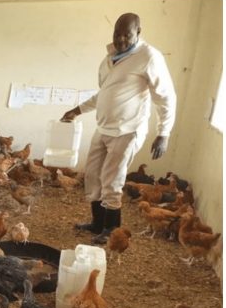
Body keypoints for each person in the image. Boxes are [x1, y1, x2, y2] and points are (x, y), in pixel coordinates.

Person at [61, 12, 176, 243]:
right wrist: (77, 110)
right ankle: (97, 224)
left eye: (127, 34)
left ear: (138, 33)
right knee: (93, 175)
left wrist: (164, 133)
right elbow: (104, 94)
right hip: (104, 127)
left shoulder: (149, 57)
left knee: (112, 179)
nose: (121, 39)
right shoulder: (109, 57)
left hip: (127, 130)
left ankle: (111, 230)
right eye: (117, 34)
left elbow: (165, 97)